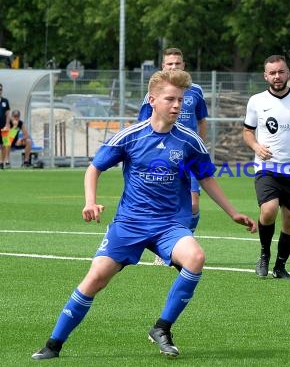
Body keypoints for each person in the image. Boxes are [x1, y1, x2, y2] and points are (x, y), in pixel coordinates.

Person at [31, 69, 257, 360]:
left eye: (181, 100)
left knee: (196, 257)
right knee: (95, 279)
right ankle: (53, 344)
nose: (177, 105)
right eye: (170, 99)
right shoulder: (131, 136)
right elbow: (94, 168)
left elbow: (205, 178)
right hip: (130, 223)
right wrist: (91, 201)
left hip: (169, 225)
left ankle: (162, 328)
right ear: (152, 100)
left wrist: (232, 212)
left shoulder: (189, 141)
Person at [243, 54, 290, 279]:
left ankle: (280, 266)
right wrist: (256, 147)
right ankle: (264, 255)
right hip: (267, 167)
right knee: (268, 210)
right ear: (265, 76)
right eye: (272, 73)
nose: (277, 76)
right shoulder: (256, 101)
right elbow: (247, 131)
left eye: (281, 71)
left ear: (288, 73)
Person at [138, 47, 209, 266]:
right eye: (169, 64)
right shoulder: (154, 94)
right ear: (163, 67)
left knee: (194, 204)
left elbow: (202, 121)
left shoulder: (195, 91)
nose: (174, 67)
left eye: (177, 64)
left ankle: (183, 238)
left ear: (183, 66)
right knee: (165, 201)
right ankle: (165, 245)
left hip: (188, 155)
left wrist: (201, 147)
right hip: (163, 155)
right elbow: (142, 124)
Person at [0, 82, 11, 169]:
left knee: (4, 144)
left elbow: (7, 114)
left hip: (3, 126)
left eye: (0, 89)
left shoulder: (5, 101)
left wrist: (7, 124)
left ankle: (3, 161)